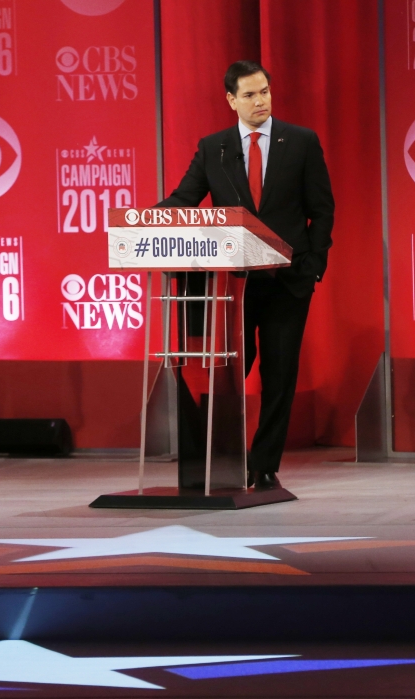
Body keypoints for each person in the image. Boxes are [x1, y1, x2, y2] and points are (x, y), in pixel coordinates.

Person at [160, 60, 335, 490]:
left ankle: (264, 464)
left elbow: (322, 210)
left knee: (279, 374)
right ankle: (218, 456)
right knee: (230, 371)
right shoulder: (214, 148)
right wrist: (145, 222)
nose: (261, 101)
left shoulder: (301, 141)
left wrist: (312, 266)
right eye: (251, 95)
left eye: (265, 92)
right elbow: (183, 199)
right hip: (233, 285)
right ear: (231, 100)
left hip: (287, 280)